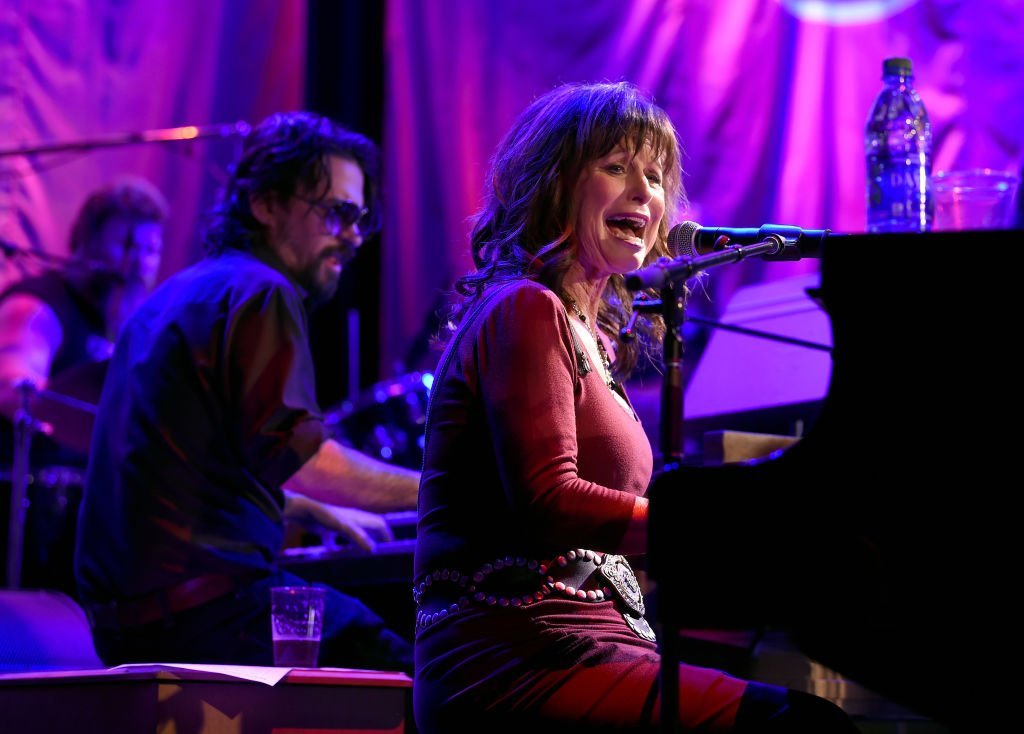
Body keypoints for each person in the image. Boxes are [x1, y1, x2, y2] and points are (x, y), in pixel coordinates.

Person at [412, 82, 860, 733]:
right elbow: (548, 499)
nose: (645, 194)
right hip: (519, 656)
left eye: (655, 176)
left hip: (595, 645)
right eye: (617, 167)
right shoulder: (525, 308)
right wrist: (726, 525)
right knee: (804, 726)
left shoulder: (590, 339)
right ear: (552, 182)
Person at [73, 111, 419, 673]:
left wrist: (312, 508)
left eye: (361, 219)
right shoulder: (262, 292)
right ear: (265, 204)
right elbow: (309, 464)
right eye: (337, 214)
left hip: (126, 625)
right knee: (415, 669)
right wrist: (447, 492)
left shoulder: (174, 296)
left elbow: (179, 473)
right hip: (213, 614)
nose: (353, 237)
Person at [0, 177, 168, 593]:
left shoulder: (131, 323)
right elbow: (15, 389)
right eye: (125, 245)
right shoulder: (37, 305)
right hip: (30, 506)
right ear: (84, 243)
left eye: (150, 250)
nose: (138, 262)